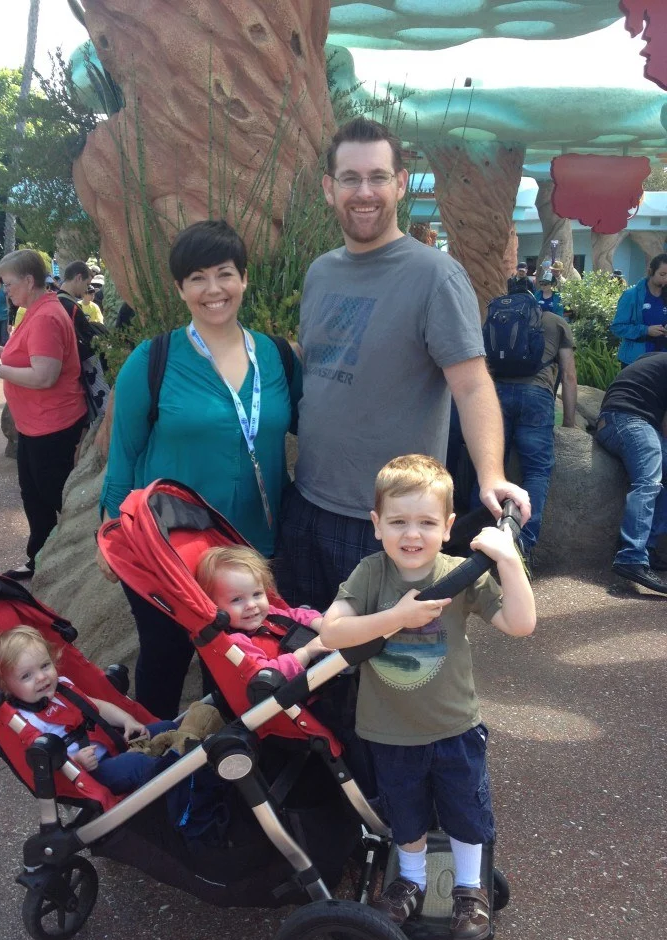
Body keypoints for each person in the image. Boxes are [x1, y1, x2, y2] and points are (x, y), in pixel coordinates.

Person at [275, 116, 529, 612]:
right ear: (330, 188)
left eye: (377, 177)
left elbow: (473, 386)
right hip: (307, 502)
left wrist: (491, 474)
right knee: (304, 661)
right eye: (350, 178)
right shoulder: (320, 272)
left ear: (400, 183)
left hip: (390, 521)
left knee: (379, 675)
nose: (363, 191)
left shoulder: (436, 276)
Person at [319, 454, 535, 940]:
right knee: (406, 815)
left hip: (454, 727)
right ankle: (411, 881)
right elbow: (332, 632)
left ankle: (468, 888)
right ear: (377, 526)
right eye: (397, 522)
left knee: (465, 812)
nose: (411, 534)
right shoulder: (371, 575)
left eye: (425, 522)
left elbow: (521, 624)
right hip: (389, 731)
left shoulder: (461, 572)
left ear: (448, 526)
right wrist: (396, 617)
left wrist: (506, 559)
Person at [96, 219, 302, 719]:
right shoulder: (154, 359)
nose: (213, 290)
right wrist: (108, 532)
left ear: (244, 278)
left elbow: (311, 431)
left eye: (225, 274)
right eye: (197, 278)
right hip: (168, 551)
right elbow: (124, 455)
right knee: (164, 662)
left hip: (252, 551)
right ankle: (153, 774)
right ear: (180, 288)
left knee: (238, 674)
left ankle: (231, 787)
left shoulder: (276, 357)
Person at [0, 249, 87, 580]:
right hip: (36, 425)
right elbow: (35, 357)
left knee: (52, 496)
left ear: (29, 280)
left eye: (8, 284)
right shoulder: (37, 309)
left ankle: (69, 566)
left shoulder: (46, 315)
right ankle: (40, 559)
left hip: (52, 426)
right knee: (34, 497)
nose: (4, 290)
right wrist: (4, 352)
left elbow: (44, 376)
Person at [0, 626, 175, 794]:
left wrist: (127, 721)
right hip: (94, 771)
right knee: (137, 765)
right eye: (26, 676)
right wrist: (75, 761)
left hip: (116, 745)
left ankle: (187, 757)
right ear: (6, 687)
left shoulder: (63, 687)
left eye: (45, 665)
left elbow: (98, 707)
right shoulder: (26, 720)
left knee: (166, 727)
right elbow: (45, 762)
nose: (42, 677)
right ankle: (179, 782)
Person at [489, 309, 577, 568]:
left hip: (497, 392)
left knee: (489, 468)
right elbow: (569, 375)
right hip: (536, 394)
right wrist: (569, 422)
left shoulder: (498, 317)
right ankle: (522, 545)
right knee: (537, 471)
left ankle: (478, 542)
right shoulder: (556, 321)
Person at [196, 545, 330, 677]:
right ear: (215, 607)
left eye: (256, 594)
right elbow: (267, 675)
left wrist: (322, 624)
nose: (251, 605)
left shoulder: (269, 615)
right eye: (237, 599)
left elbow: (296, 615)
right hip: (296, 693)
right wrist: (305, 653)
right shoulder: (236, 643)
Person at [595, 352, 667, 594]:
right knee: (648, 481)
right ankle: (632, 556)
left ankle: (648, 549)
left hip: (617, 421)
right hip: (628, 420)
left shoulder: (655, 358)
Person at [610, 254, 667, 367]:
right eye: (662, 274)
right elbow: (617, 328)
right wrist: (646, 330)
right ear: (650, 272)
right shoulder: (631, 295)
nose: (666, 279)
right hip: (635, 362)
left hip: (662, 361)